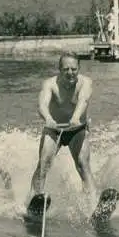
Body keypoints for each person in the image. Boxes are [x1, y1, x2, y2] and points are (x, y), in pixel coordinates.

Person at [27, 52, 97, 212]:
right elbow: (42, 105)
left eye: (74, 69)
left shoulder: (86, 82)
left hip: (77, 128)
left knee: (82, 165)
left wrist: (76, 117)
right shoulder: (49, 84)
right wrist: (48, 119)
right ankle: (34, 198)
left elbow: (83, 100)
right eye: (66, 69)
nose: (70, 73)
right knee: (43, 164)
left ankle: (93, 205)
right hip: (54, 129)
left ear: (79, 68)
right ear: (59, 69)